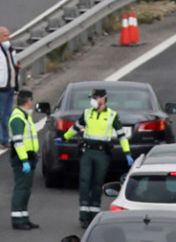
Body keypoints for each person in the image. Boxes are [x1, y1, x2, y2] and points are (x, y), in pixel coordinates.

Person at [56, 89, 133, 228]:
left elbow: (122, 135)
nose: (93, 100)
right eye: (93, 97)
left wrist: (127, 152)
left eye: (96, 97)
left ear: (103, 99)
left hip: (102, 153)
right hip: (88, 152)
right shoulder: (87, 113)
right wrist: (63, 138)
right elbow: (75, 128)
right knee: (84, 181)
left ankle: (94, 215)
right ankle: (83, 215)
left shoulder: (112, 115)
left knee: (97, 183)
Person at [8, 90, 39, 230]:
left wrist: (34, 156)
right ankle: (17, 219)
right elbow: (18, 142)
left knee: (26, 189)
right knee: (21, 188)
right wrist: (25, 160)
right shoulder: (18, 119)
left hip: (29, 157)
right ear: (28, 101)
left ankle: (24, 217)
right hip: (22, 158)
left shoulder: (26, 116)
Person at [0, 26, 21, 149]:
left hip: (9, 87)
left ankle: (5, 139)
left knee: (7, 115)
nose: (8, 37)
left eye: (8, 35)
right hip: (0, 89)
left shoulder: (9, 49)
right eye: (5, 35)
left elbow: (12, 65)